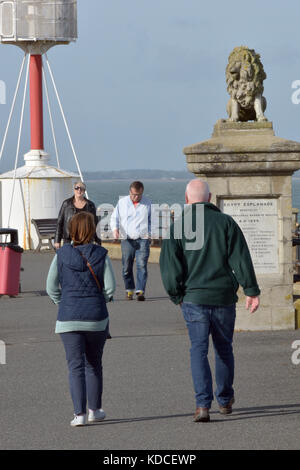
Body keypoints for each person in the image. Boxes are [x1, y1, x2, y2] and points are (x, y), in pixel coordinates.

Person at [159, 179, 260, 423]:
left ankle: (202, 405)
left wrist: (177, 295)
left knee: (198, 350)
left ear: (186, 198)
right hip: (223, 296)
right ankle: (224, 400)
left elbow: (169, 268)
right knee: (224, 349)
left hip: (193, 298)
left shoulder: (178, 226)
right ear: (210, 197)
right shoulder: (225, 222)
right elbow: (240, 258)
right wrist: (251, 290)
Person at [46, 212, 116, 427]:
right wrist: (97, 300)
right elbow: (110, 289)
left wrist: (64, 302)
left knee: (75, 366)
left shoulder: (61, 254)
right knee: (94, 364)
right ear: (92, 229)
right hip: (96, 318)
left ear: (71, 230)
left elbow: (50, 287)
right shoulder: (102, 254)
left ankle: (79, 415)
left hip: (68, 318)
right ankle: (95, 410)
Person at [110, 181, 152, 301]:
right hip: (127, 239)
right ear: (130, 192)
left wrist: (150, 233)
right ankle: (129, 289)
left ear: (142, 192)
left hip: (143, 239)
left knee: (142, 265)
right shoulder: (122, 202)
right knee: (126, 266)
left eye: (139, 195)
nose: (136, 197)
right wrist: (115, 229)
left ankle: (140, 291)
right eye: (134, 194)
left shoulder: (148, 203)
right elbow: (114, 218)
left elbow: (151, 220)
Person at [54, 181, 101, 249]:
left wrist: (98, 242)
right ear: (74, 190)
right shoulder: (66, 204)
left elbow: (96, 224)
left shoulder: (90, 205)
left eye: (81, 188)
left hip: (87, 240)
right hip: (69, 239)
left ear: (84, 191)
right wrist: (57, 240)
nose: (79, 190)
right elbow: (59, 222)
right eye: (77, 188)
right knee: (68, 258)